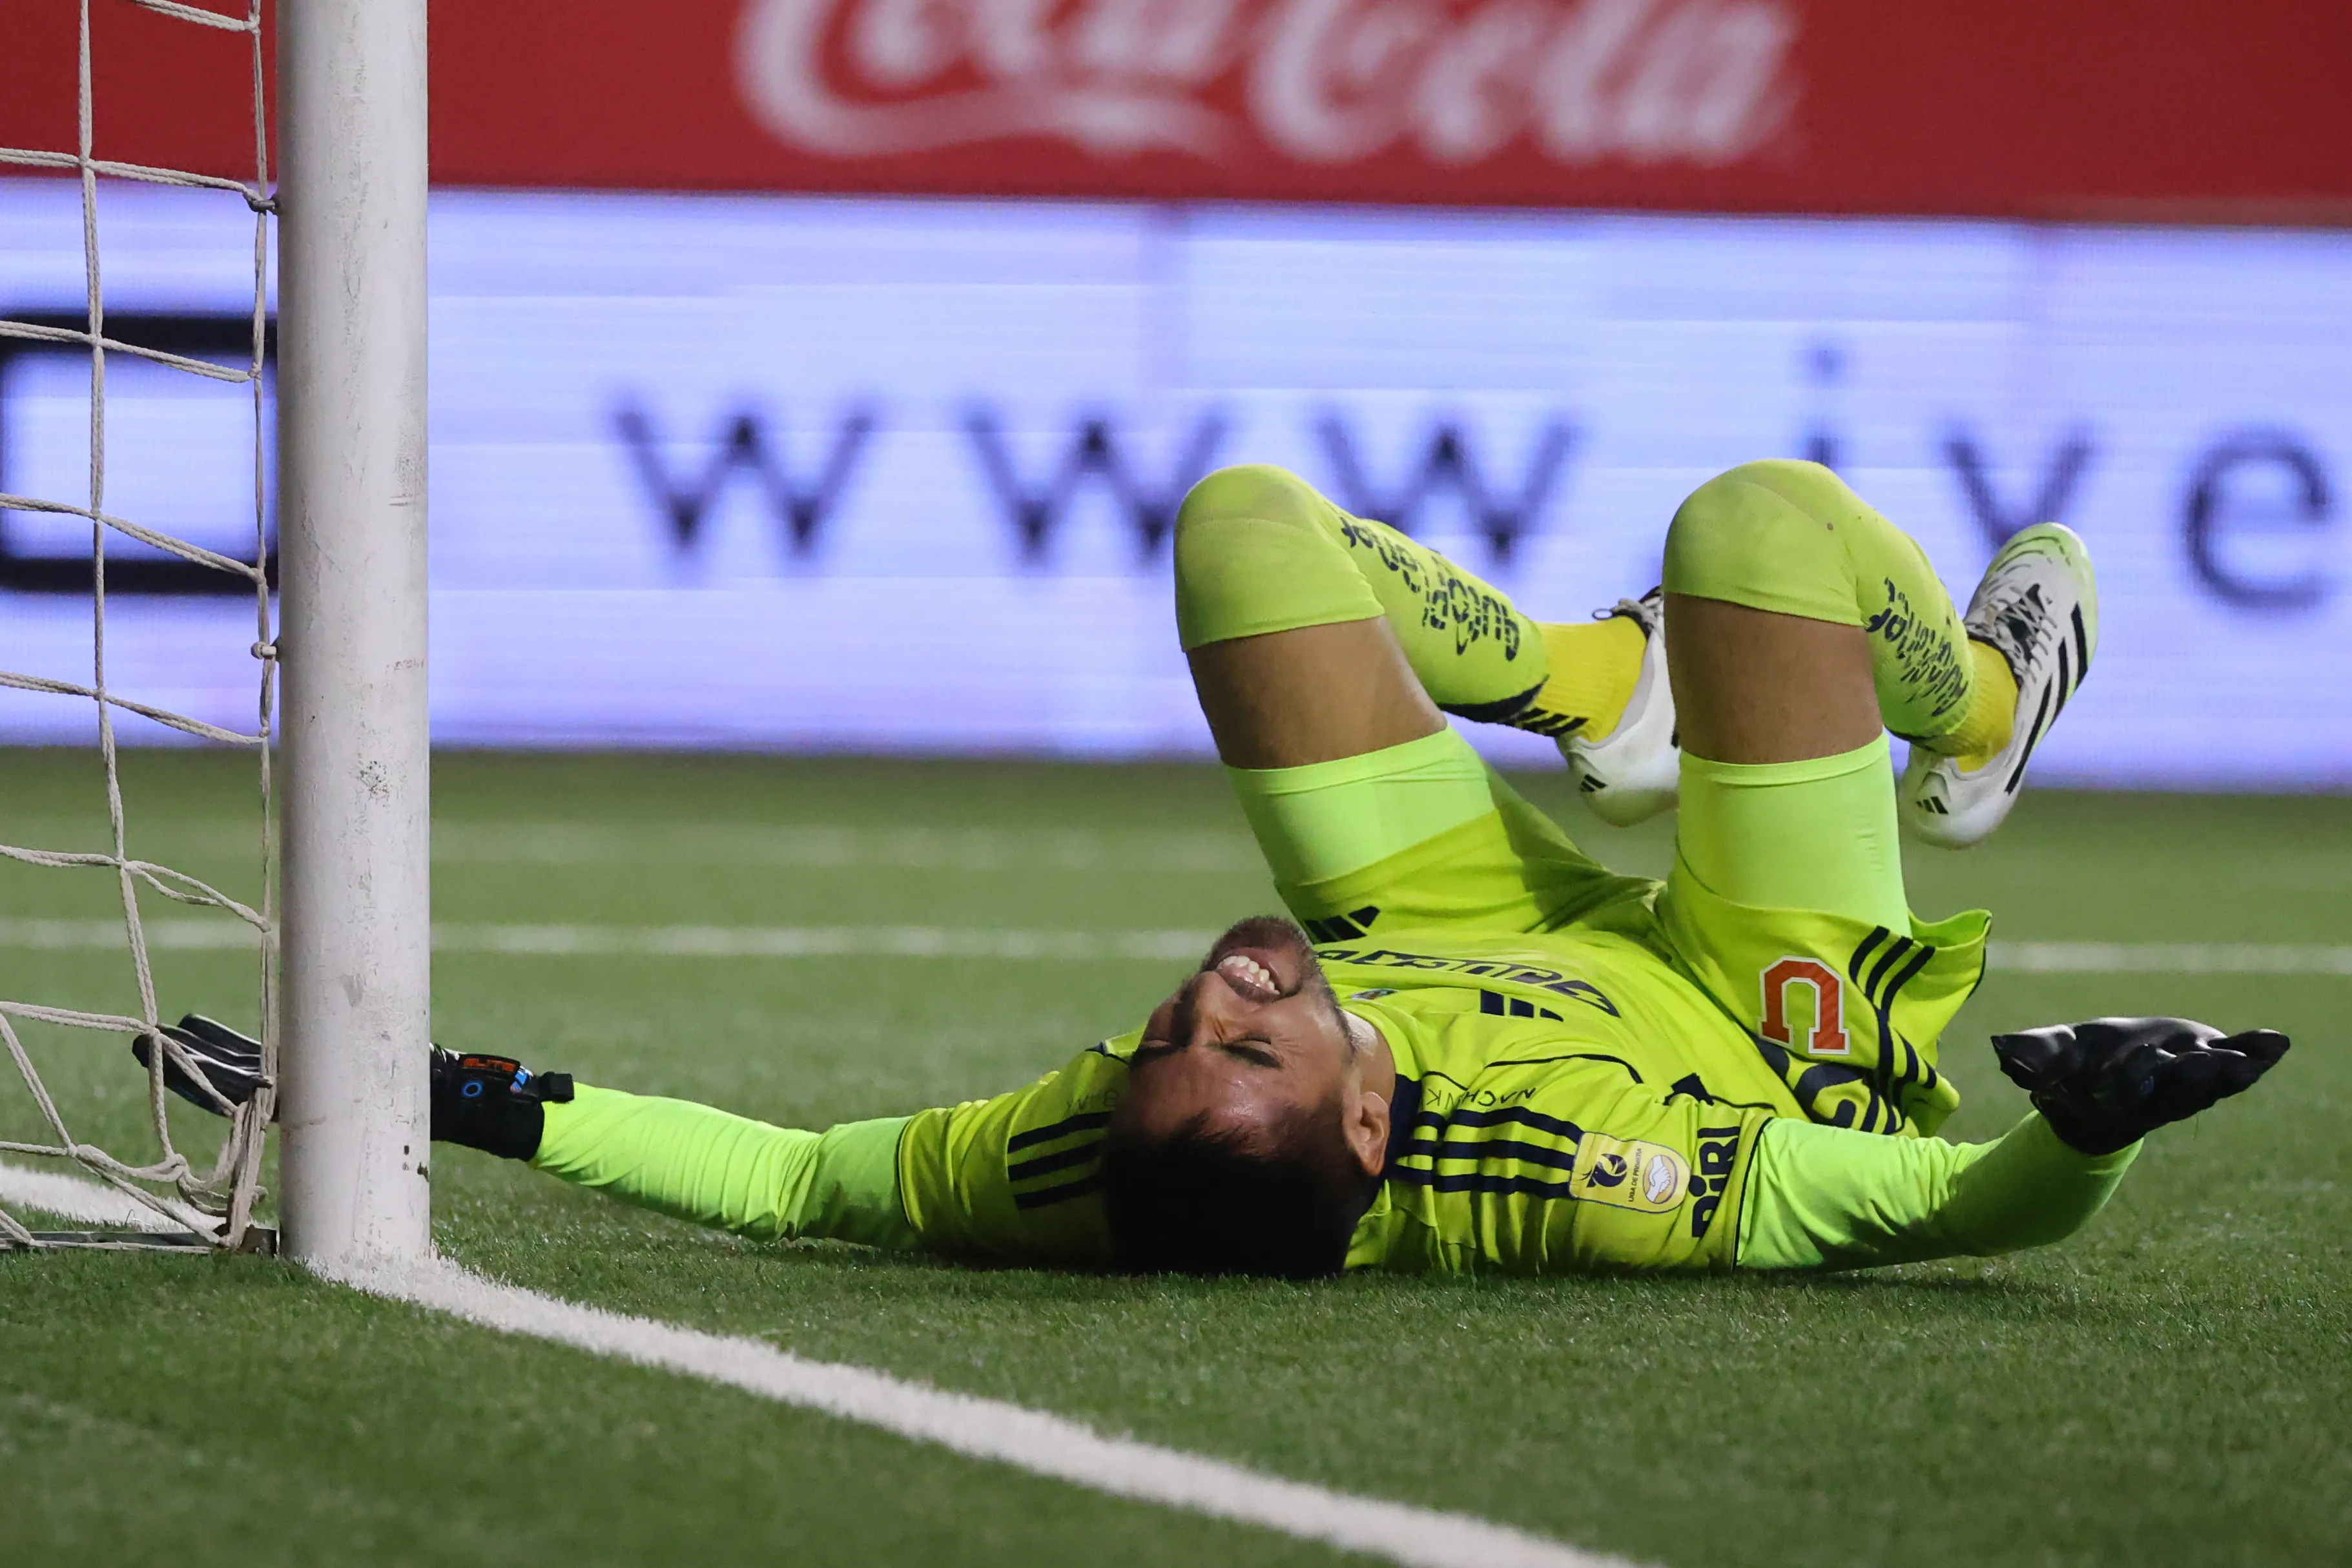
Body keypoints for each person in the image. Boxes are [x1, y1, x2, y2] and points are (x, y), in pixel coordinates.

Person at [145, 460, 2287, 1277]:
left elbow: (792, 1176)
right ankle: (2002, 716)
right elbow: (1905, 1211)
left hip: (1434, 936)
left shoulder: (1094, 1159)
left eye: (1174, 1029)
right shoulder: (1560, 1179)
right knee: (1760, 530)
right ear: (1375, 1123)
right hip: (1752, 1015)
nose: (1210, 992)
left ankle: (1588, 688)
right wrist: (2076, 1144)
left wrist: (410, 1092)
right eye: (1241, 1042)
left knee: (1242, 532)